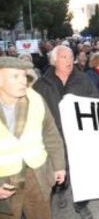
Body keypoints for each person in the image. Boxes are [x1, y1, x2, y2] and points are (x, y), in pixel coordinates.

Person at [33, 45, 99, 219]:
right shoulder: (41, 84)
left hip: (79, 135)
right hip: (54, 138)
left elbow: (96, 102)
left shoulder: (83, 79)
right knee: (58, 170)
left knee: (82, 171)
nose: (69, 61)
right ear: (54, 60)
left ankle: (81, 204)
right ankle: (60, 192)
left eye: (70, 57)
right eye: (64, 57)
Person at [0, 56, 66, 219]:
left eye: (24, 75)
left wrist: (59, 165)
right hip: (4, 180)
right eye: (15, 76)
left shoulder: (35, 99)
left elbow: (51, 133)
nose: (23, 81)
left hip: (37, 174)